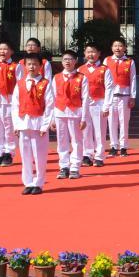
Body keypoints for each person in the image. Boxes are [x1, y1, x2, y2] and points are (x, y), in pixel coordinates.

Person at [11, 53, 54, 195]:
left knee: (39, 154)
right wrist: (16, 124)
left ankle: (39, 182)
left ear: (40, 66)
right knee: (25, 154)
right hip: (24, 122)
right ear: (25, 66)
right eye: (29, 64)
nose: (32, 67)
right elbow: (15, 105)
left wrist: (45, 125)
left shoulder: (45, 83)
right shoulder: (20, 83)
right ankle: (28, 182)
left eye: (35, 64)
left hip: (39, 122)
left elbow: (50, 105)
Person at [52, 51, 88, 180]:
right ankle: (64, 166)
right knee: (62, 141)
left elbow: (85, 99)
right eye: (65, 59)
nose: (67, 62)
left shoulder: (82, 78)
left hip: (75, 112)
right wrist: (52, 118)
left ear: (75, 61)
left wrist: (84, 118)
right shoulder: (56, 77)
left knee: (76, 141)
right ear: (61, 62)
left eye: (70, 59)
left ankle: (75, 167)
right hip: (60, 112)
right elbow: (53, 98)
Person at [78, 44, 114, 167]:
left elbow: (109, 88)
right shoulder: (80, 69)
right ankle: (87, 155)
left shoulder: (105, 69)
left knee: (100, 131)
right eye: (88, 52)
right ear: (84, 53)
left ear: (98, 53)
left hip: (99, 102)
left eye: (93, 52)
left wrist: (106, 106)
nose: (91, 55)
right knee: (85, 131)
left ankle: (99, 156)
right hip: (84, 104)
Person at [104, 38, 136, 158]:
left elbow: (133, 79)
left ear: (125, 48)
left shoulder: (130, 61)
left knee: (124, 122)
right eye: (115, 46)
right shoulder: (107, 61)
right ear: (112, 48)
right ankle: (113, 146)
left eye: (120, 46)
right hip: (111, 96)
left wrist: (133, 96)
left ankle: (123, 147)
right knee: (111, 122)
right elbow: (103, 79)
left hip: (125, 95)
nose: (117, 48)